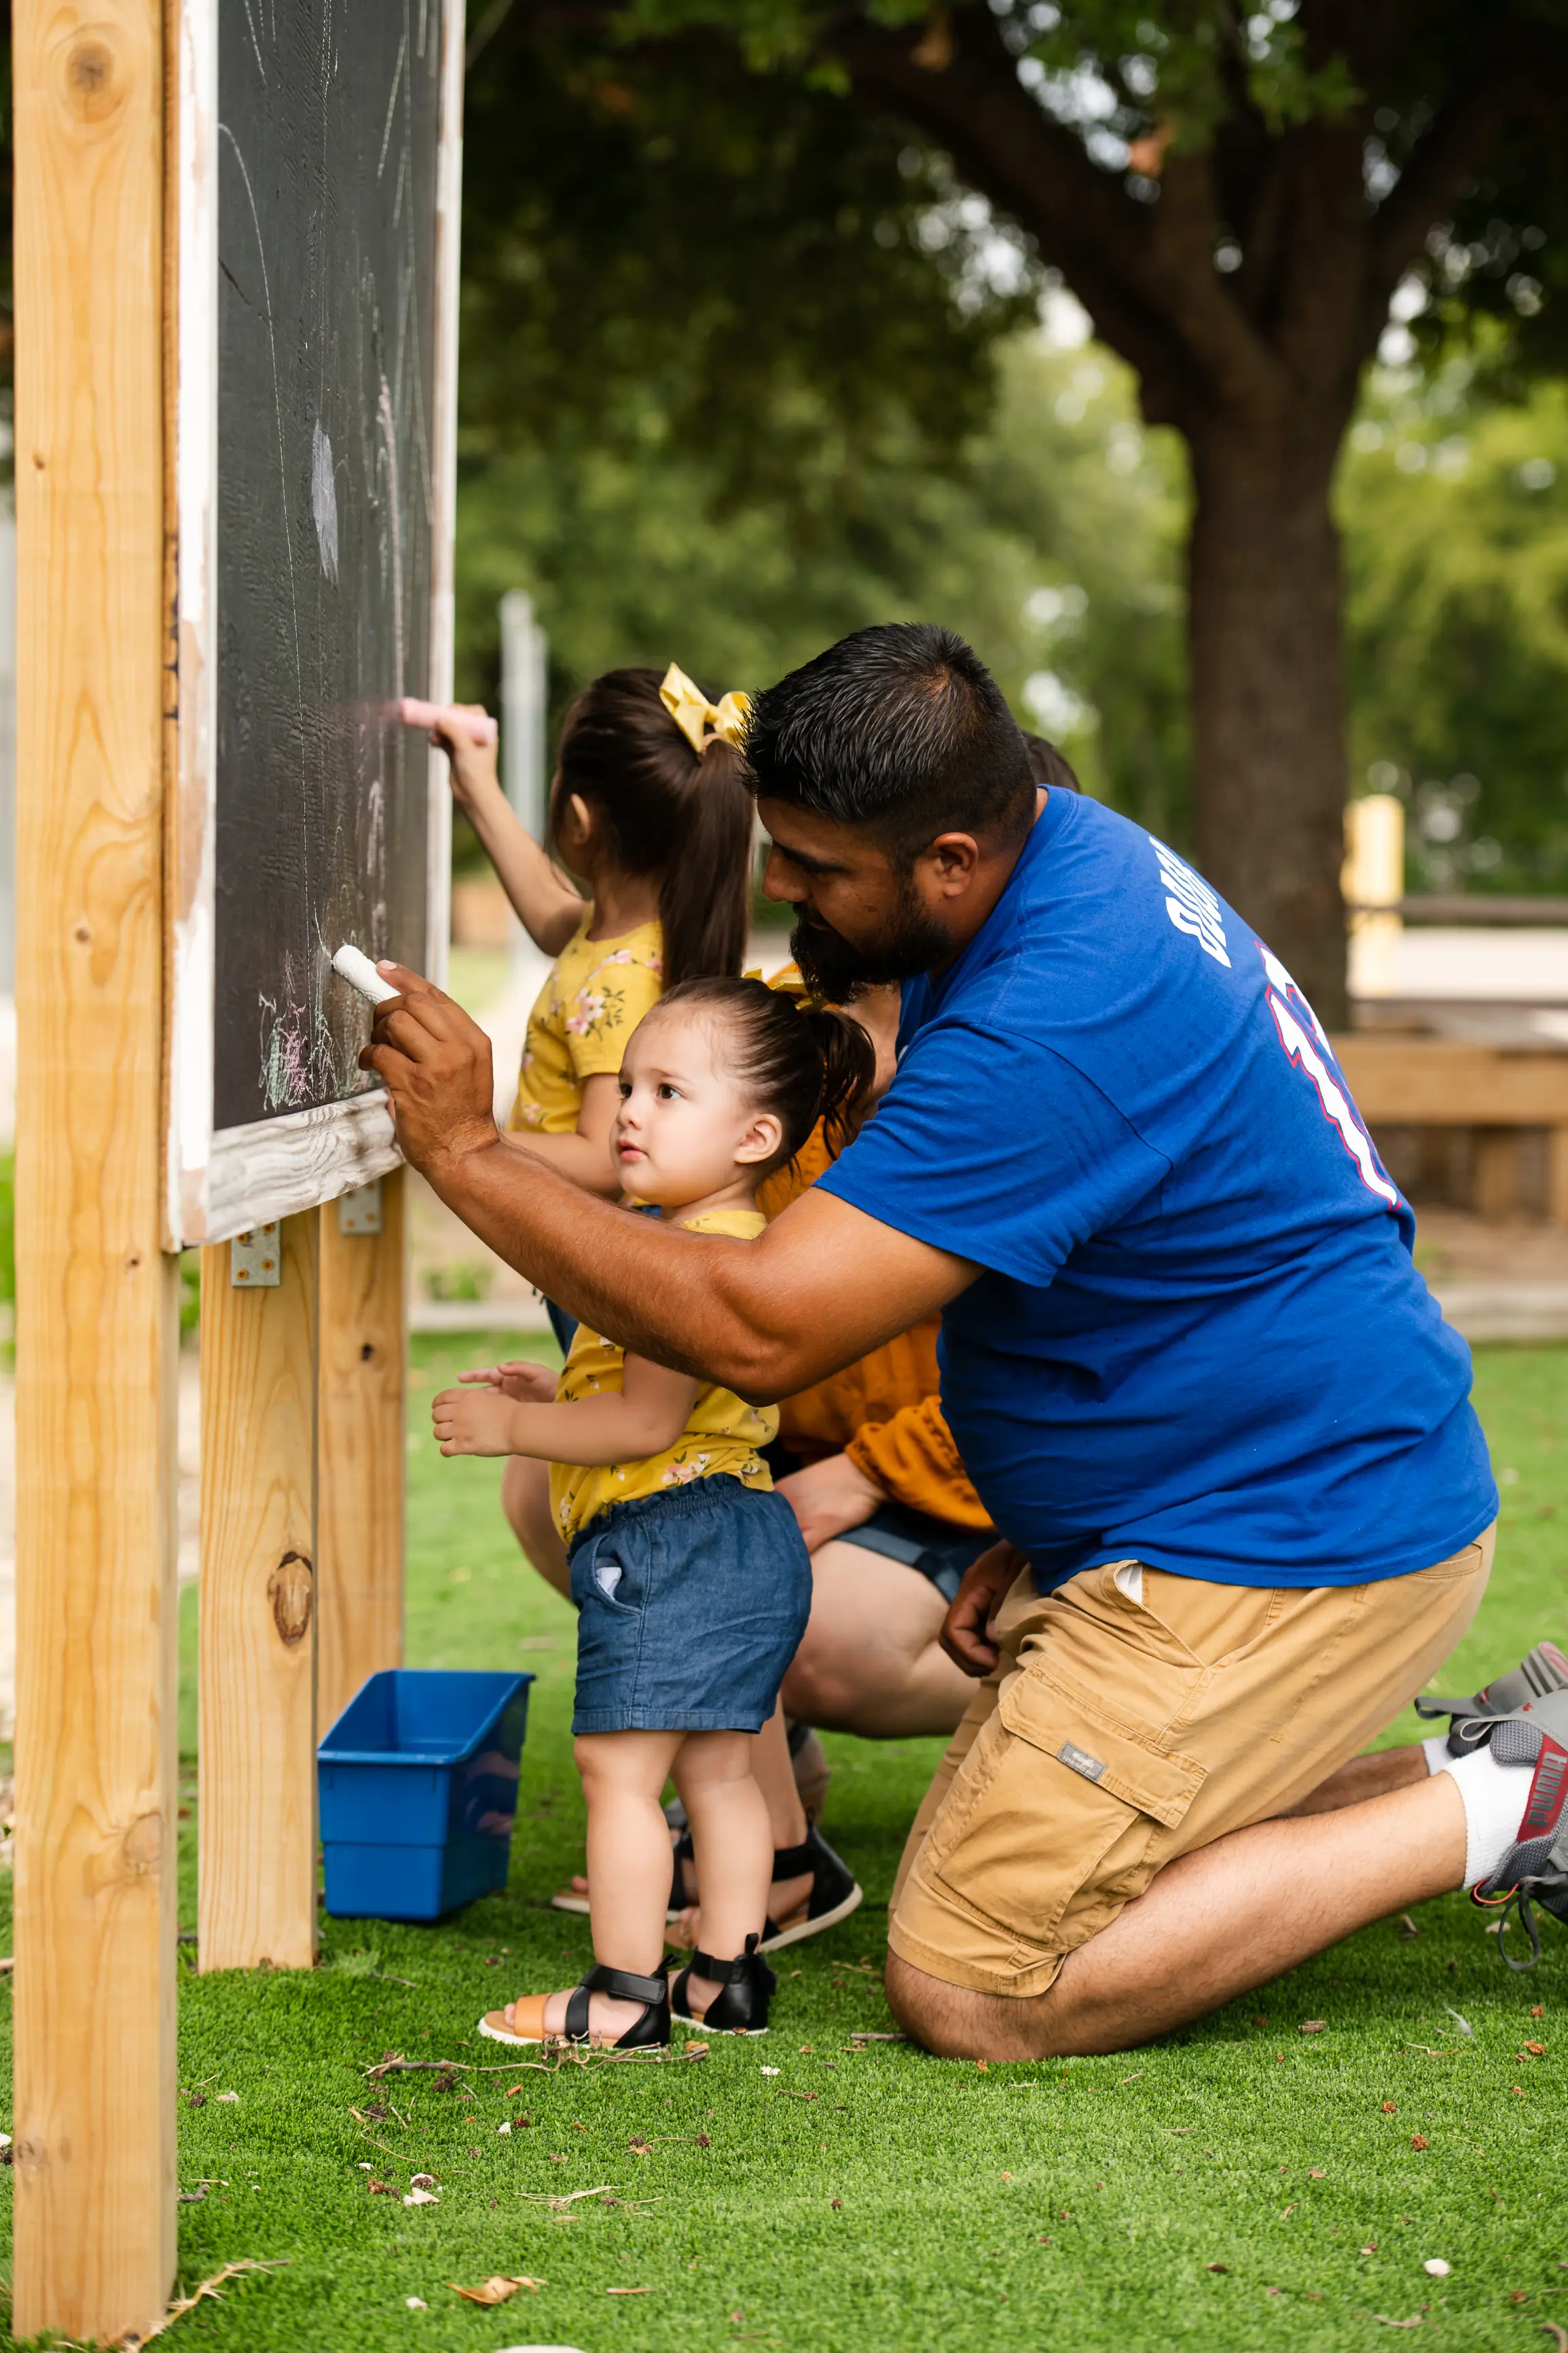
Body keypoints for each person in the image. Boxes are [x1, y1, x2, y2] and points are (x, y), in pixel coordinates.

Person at [363, 624, 1563, 2060]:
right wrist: (1054, 1514)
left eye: (810, 867)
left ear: (943, 858)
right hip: (1209, 1496)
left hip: (1289, 1531)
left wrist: (464, 1152)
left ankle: (1521, 1799)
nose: (776, 890)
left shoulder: (1052, 1010)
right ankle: (1475, 1763)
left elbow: (757, 1323)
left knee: (973, 1979)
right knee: (1014, 1859)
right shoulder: (1052, 856)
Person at [438, 976, 873, 2051]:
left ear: (753, 1134)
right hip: (746, 1529)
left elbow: (641, 1427)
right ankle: (724, 1977)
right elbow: (678, 1406)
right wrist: (556, 1395)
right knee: (719, 1766)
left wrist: (513, 1434)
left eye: (668, 1092)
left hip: (667, 1539)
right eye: (629, 1084)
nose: (627, 1111)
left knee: (620, 1771)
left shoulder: (681, 1257)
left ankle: (625, 1997)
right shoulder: (738, 1239)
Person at [424, 663, 754, 1346]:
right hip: (601, 1252)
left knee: (607, 1438)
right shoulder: (616, 938)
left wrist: (462, 1131)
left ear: (577, 816)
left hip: (600, 1260)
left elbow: (605, 1159)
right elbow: (547, 910)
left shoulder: (620, 982)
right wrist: (478, 783)